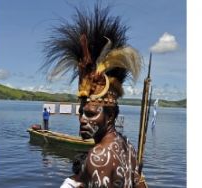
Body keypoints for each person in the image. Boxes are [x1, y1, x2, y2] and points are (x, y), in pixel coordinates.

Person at [43, 4, 148, 187]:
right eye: (82, 112)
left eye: (91, 114)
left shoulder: (98, 156)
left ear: (111, 117)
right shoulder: (128, 146)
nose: (83, 119)